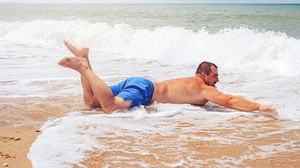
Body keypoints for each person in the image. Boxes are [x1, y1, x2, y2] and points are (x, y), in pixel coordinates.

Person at [58, 40, 278, 119]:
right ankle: (85, 68)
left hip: (140, 83)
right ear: (203, 75)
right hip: (144, 90)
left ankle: (84, 56)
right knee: (111, 108)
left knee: (91, 102)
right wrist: (260, 107)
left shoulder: (192, 82)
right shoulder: (202, 88)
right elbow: (229, 101)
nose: (217, 80)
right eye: (215, 76)